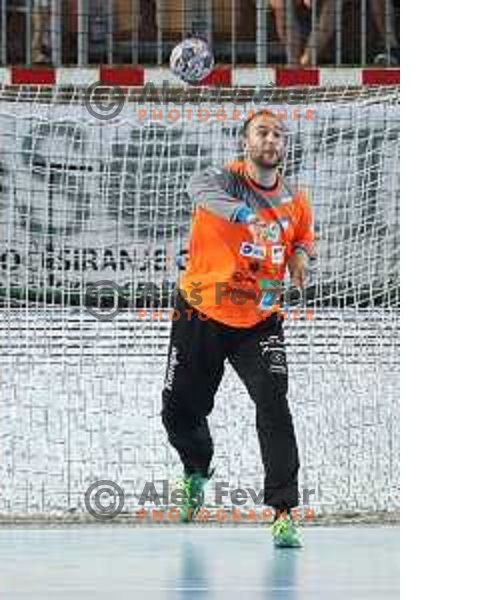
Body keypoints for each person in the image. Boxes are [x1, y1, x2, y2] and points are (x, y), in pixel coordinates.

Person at [161, 110, 316, 548]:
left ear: (284, 146)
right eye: (261, 132)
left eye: (278, 134)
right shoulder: (223, 179)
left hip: (259, 319)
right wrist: (248, 215)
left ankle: (283, 513)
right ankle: (196, 469)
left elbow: (302, 236)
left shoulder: (295, 198)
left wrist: (302, 255)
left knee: (273, 400)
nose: (271, 139)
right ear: (245, 143)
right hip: (201, 311)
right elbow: (199, 191)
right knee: (178, 409)